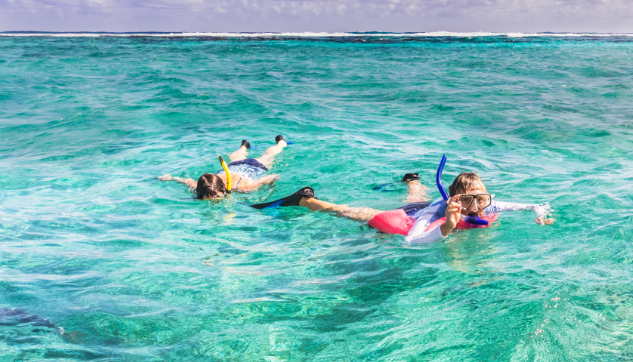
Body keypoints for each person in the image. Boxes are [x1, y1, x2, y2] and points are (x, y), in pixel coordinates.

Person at [260, 171, 554, 245]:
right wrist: (448, 226)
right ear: (454, 200)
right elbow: (412, 240)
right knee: (347, 211)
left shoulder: (486, 205)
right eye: (466, 200)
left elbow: (532, 205)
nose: (476, 206)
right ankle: (304, 198)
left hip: (424, 205)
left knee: (415, 193)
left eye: (481, 198)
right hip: (414, 214)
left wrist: (540, 216)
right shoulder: (438, 210)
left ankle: (413, 179)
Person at [158, 136, 286, 199]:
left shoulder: (242, 187)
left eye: (216, 196)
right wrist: (170, 178)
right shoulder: (202, 187)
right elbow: (187, 180)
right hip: (231, 167)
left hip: (253, 167)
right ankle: (244, 146)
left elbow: (273, 176)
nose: (213, 199)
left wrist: (267, 188)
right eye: (209, 197)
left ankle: (280, 143)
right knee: (235, 158)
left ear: (222, 189)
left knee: (268, 156)